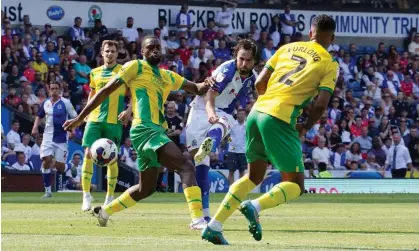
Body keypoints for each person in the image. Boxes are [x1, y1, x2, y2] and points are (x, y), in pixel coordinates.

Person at [201, 15, 338, 245]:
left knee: (253, 176)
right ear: (332, 38)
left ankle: (214, 226)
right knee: (295, 184)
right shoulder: (329, 63)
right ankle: (255, 206)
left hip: (257, 113)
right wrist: (305, 126)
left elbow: (259, 83)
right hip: (280, 118)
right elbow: (322, 104)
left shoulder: (287, 48)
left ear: (310, 32)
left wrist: (269, 101)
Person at [63, 35, 212, 228]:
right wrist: (79, 118)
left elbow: (198, 89)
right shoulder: (136, 67)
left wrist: (211, 80)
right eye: (150, 47)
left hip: (156, 131)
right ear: (142, 52)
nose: (154, 50)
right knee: (185, 166)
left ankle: (105, 212)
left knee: (145, 189)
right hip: (144, 129)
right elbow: (105, 91)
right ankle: (197, 220)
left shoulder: (167, 76)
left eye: (157, 47)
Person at [186, 39, 258, 227]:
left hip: (224, 112)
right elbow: (210, 96)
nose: (244, 63)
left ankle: (211, 141)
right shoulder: (227, 69)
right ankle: (205, 216)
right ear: (236, 56)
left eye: (248, 60)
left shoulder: (253, 78)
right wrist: (211, 114)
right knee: (201, 164)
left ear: (254, 61)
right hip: (201, 109)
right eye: (241, 59)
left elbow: (260, 96)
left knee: (225, 122)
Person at [80, 40, 132, 211]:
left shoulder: (123, 72)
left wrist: (128, 110)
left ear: (117, 54)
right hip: (94, 119)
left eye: (113, 51)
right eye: (107, 51)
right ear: (101, 53)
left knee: (112, 159)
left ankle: (109, 197)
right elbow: (93, 95)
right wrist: (86, 113)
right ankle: (86, 196)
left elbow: (134, 94)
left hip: (114, 121)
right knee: (88, 153)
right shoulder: (94, 73)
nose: (109, 54)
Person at [31, 81, 77, 198]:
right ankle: (48, 191)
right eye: (52, 88)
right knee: (46, 160)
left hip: (61, 138)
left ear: (60, 90)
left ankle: (69, 167)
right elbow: (39, 116)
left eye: (56, 88)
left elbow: (75, 117)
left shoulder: (66, 103)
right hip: (47, 137)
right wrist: (35, 127)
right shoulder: (45, 103)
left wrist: (73, 129)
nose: (54, 91)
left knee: (59, 167)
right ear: (49, 90)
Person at [227, 108, 247, 186]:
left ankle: (239, 190)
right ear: (237, 115)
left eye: (242, 114)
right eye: (239, 114)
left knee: (241, 171)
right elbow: (227, 135)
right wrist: (230, 142)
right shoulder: (232, 124)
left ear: (245, 115)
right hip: (232, 151)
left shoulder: (247, 125)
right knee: (231, 171)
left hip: (243, 151)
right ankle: (230, 190)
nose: (241, 115)